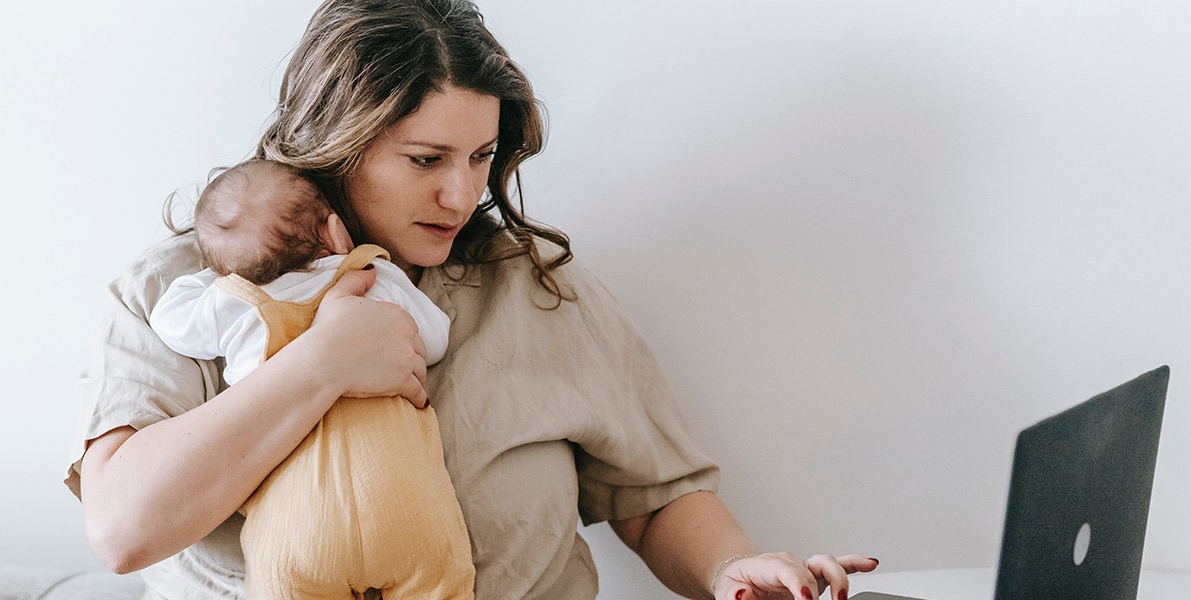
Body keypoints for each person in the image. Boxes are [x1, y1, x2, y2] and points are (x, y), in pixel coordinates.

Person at [65, 1, 878, 599]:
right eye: (425, 159)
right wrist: (321, 364)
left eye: (482, 156)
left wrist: (731, 570)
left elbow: (654, 495)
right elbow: (124, 529)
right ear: (334, 145)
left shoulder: (538, 291)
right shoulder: (183, 292)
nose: (461, 194)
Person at [148, 158, 474, 599]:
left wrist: (227, 272)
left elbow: (169, 320)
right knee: (440, 584)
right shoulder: (370, 275)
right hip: (405, 509)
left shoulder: (236, 302)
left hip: (297, 526)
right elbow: (434, 339)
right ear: (336, 232)